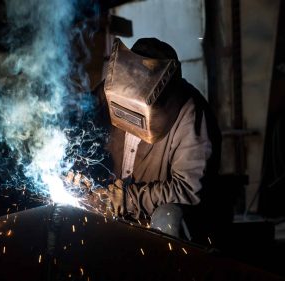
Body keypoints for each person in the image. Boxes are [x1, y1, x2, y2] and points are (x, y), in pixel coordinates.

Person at [83, 37, 223, 244]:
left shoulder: (190, 112)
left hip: (158, 223)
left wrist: (129, 199)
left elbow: (189, 189)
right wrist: (78, 171)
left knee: (169, 216)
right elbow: (82, 134)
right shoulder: (110, 91)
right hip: (111, 212)